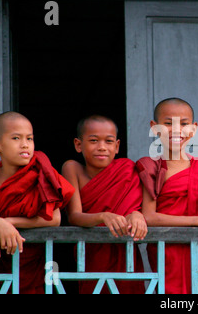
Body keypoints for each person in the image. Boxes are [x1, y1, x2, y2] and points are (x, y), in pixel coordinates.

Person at [136, 98, 198, 294]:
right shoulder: (150, 167)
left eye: (184, 124)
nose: (176, 130)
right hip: (168, 254)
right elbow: (148, 216)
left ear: (194, 129)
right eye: (168, 123)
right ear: (154, 127)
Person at [0, 111, 74, 294]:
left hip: (34, 266)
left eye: (29, 138)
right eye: (16, 138)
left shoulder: (41, 174)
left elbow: (54, 219)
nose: (25, 145)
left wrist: (9, 222)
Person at [62, 115, 147, 294]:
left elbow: (136, 208)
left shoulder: (127, 170)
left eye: (108, 142)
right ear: (78, 145)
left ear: (117, 146)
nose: (102, 147)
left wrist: (137, 215)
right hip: (92, 252)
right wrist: (103, 216)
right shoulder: (73, 169)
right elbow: (74, 216)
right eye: (93, 141)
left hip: (125, 252)